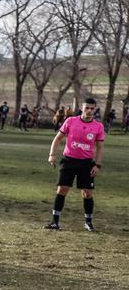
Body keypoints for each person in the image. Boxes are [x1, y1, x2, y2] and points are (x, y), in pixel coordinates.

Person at [44, 98, 105, 232]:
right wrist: (52, 155)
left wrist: (97, 165)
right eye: (87, 108)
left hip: (86, 164)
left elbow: (100, 147)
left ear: (95, 109)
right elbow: (58, 138)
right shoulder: (71, 121)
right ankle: (55, 222)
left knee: (87, 193)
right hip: (69, 161)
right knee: (62, 190)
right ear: (81, 108)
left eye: (92, 108)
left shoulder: (98, 126)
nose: (89, 111)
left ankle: (88, 222)